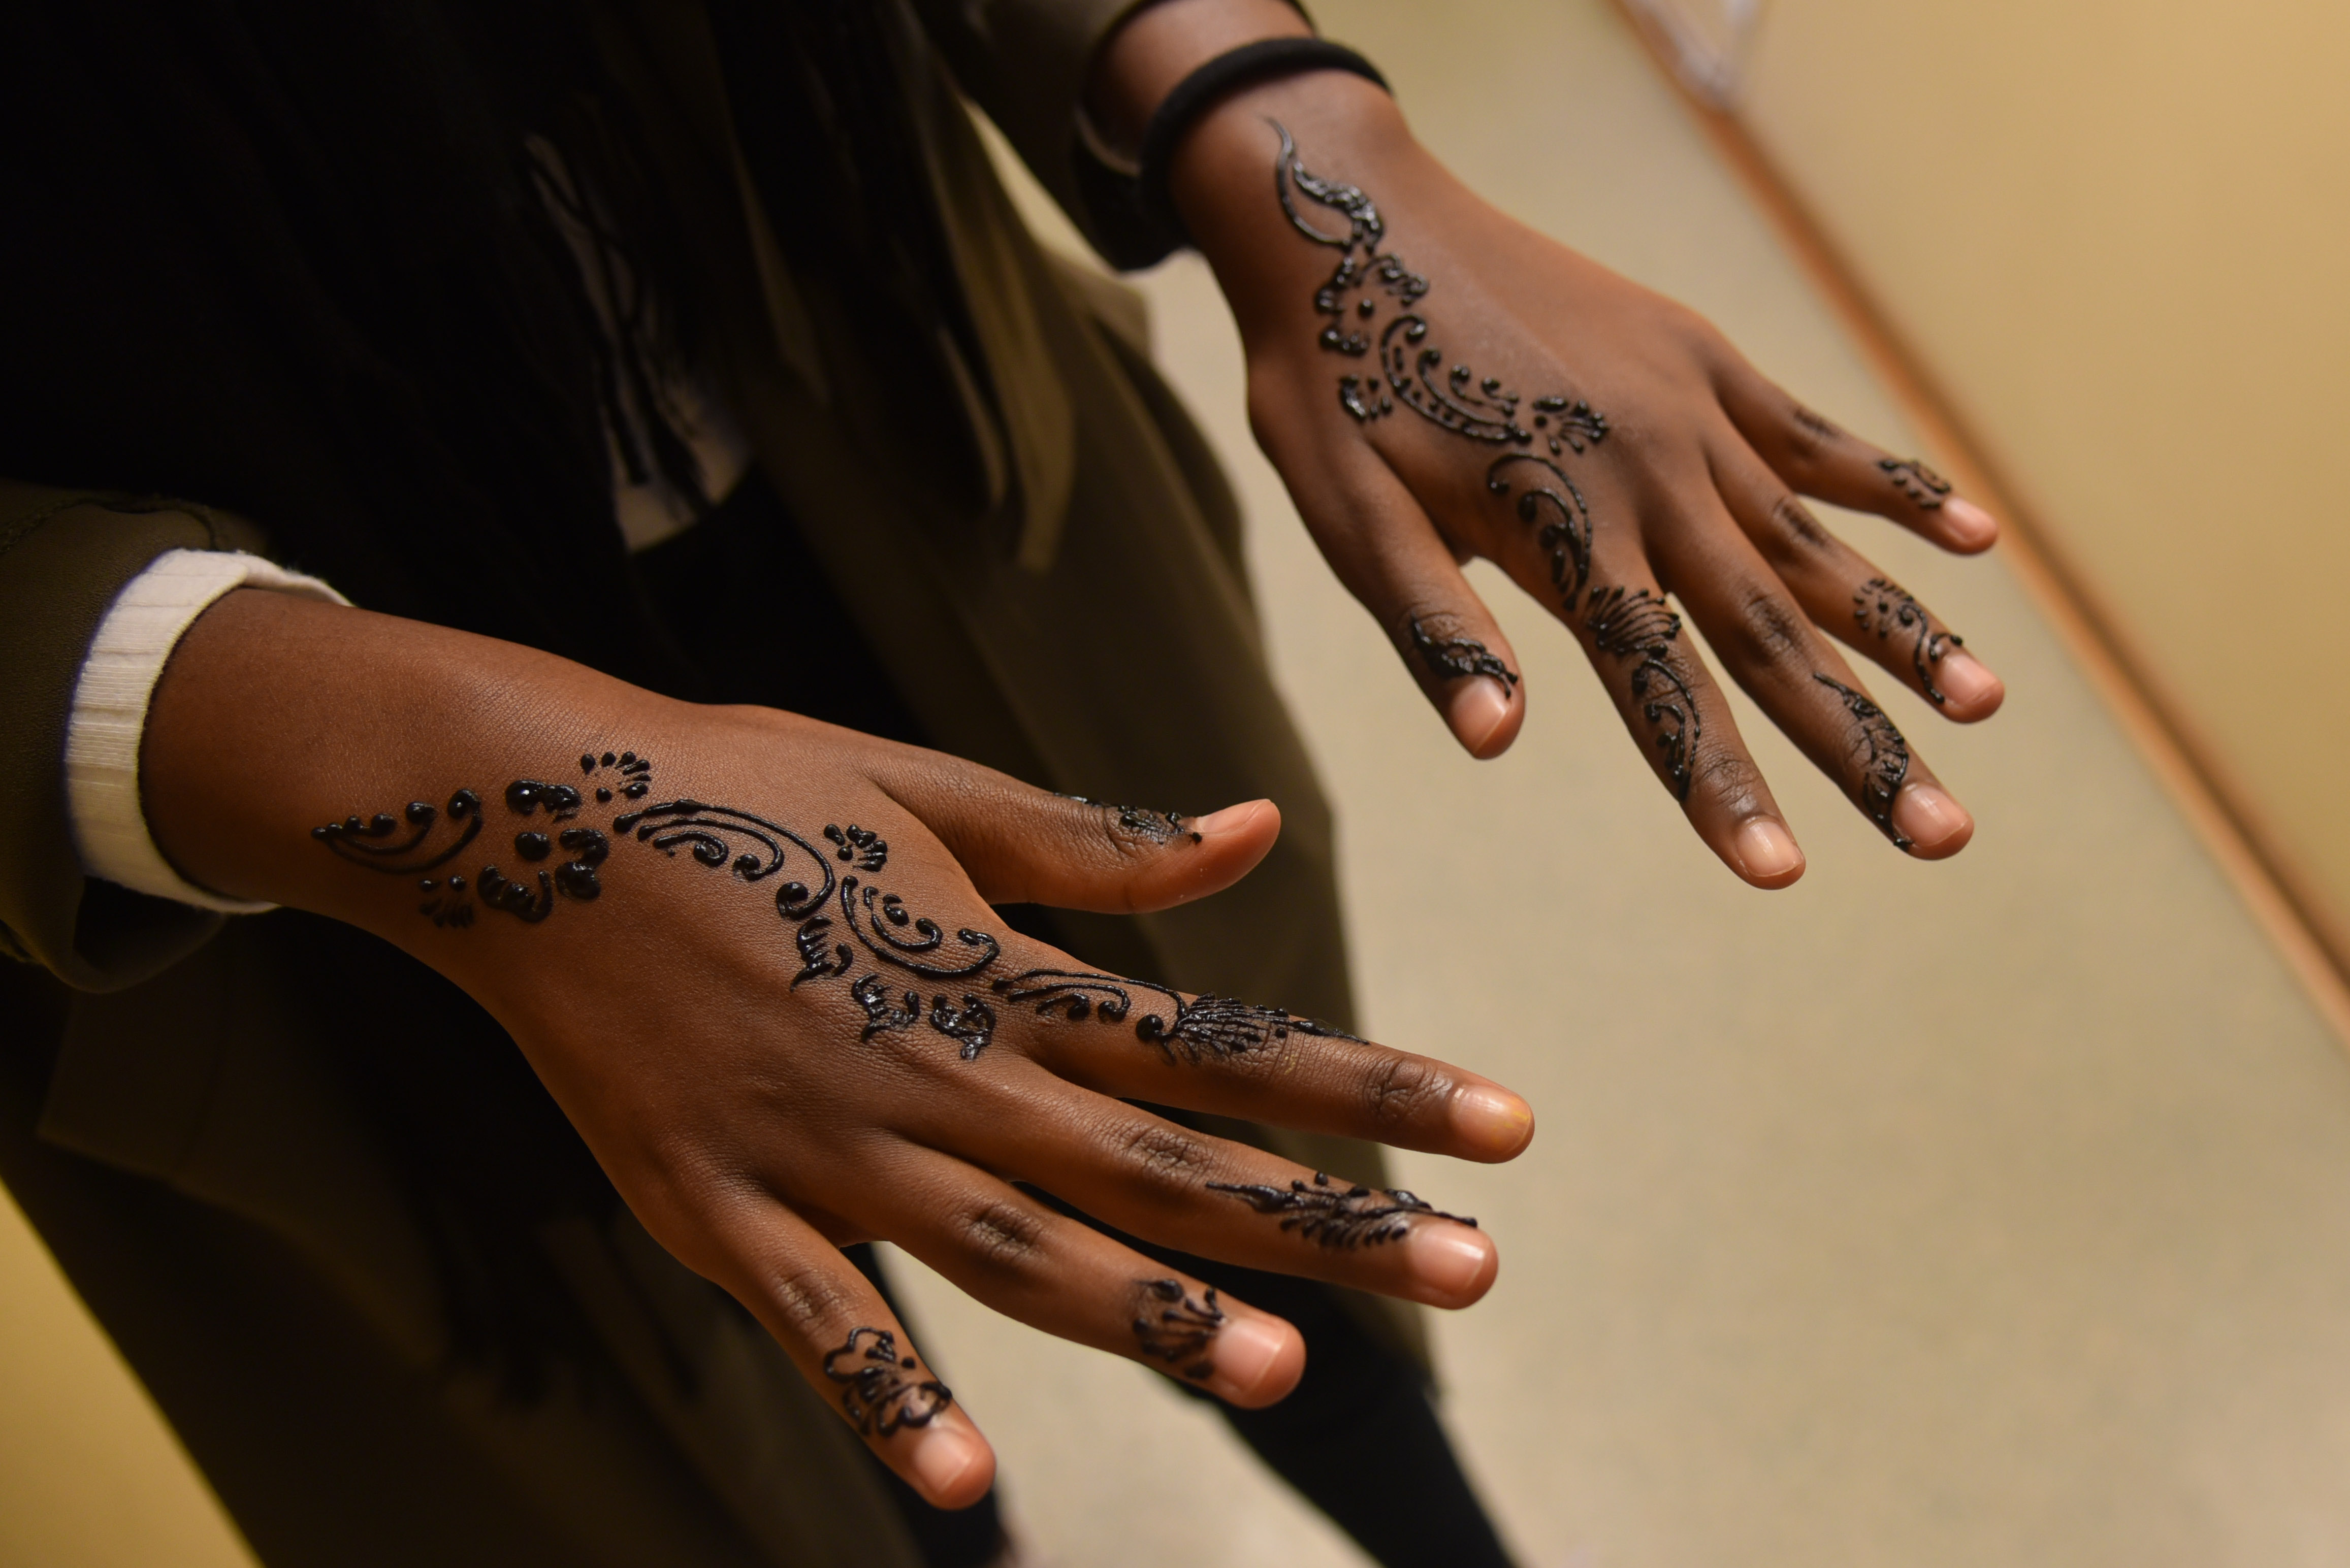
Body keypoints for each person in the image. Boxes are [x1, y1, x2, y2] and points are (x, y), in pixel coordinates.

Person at [0, 2, 2005, 1565]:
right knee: (770, 1421)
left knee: (1213, 1162)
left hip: (898, 432)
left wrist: (1267, 101)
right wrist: (358, 751)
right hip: (241, 853)